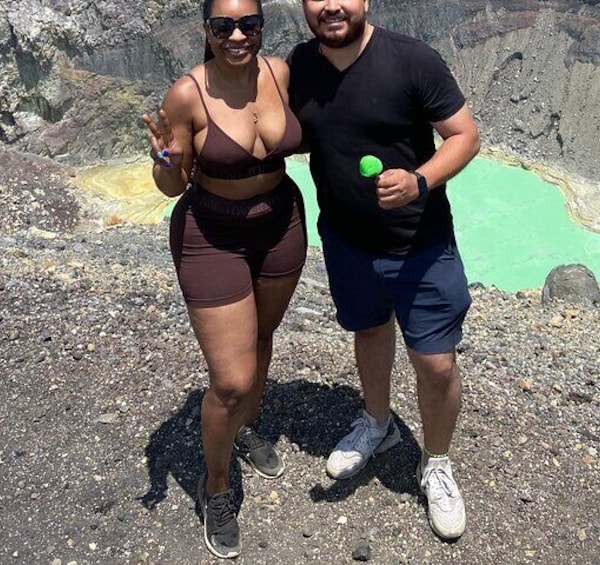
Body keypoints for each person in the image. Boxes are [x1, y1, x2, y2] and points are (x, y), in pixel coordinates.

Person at [288, 0, 480, 541]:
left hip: (420, 244)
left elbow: (465, 136)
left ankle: (437, 463)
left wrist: (419, 180)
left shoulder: (413, 59)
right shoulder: (301, 65)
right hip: (348, 242)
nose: (331, 5)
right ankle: (378, 423)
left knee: (436, 363)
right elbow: (287, 128)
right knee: (369, 331)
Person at [142, 0, 306, 558]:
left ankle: (247, 426)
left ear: (263, 26)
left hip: (281, 223)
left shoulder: (280, 73)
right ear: (207, 32)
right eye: (224, 26)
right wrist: (165, 160)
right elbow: (171, 185)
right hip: (211, 235)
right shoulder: (187, 93)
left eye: (249, 24)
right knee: (231, 379)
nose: (238, 35)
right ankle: (216, 486)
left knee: (262, 340)